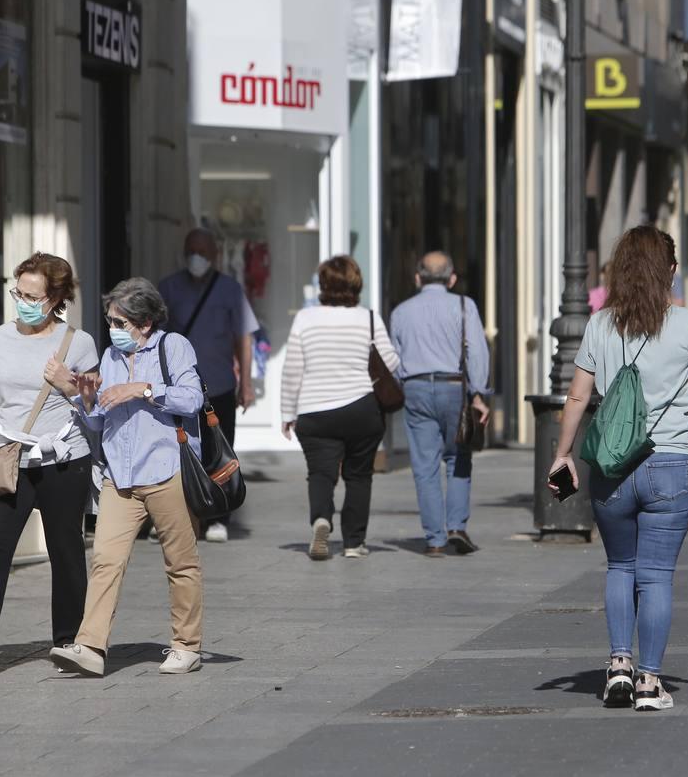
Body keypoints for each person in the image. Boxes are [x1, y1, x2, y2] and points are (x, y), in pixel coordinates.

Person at [548, 226, 688, 712]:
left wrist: (563, 452)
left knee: (619, 567)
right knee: (655, 576)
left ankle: (618, 667)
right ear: (670, 270)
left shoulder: (600, 325)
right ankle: (650, 682)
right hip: (671, 465)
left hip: (613, 467)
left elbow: (578, 395)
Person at [0, 254, 99, 676]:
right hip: (10, 459)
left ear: (55, 299)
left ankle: (71, 642)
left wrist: (70, 385)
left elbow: (96, 409)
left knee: (65, 552)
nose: (23, 302)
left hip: (65, 461)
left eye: (33, 296)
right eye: (19, 293)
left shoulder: (77, 344)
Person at [48, 278, 206, 678]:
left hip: (166, 469)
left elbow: (192, 398)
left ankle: (186, 646)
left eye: (121, 322)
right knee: (105, 560)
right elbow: (99, 419)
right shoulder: (111, 357)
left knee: (180, 563)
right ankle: (90, 646)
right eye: (110, 321)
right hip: (119, 475)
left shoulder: (173, 347)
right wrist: (83, 398)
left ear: (146, 323)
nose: (113, 329)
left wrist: (143, 389)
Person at [279, 256, 398, 560]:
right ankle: (354, 543)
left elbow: (293, 369)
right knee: (359, 476)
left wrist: (287, 413)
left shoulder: (305, 319)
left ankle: (321, 518)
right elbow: (392, 362)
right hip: (362, 407)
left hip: (315, 410)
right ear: (356, 283)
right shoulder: (368, 318)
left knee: (320, 473)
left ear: (323, 284)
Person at [159, 228, 258, 543]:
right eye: (191, 251)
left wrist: (246, 383)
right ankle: (180, 515)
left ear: (214, 254)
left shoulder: (229, 289)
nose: (196, 258)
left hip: (218, 385)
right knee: (179, 450)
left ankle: (218, 516)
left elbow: (243, 335)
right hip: (176, 389)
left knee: (219, 451)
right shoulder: (169, 288)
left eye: (202, 251)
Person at [390, 253, 491, 557]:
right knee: (459, 455)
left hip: (416, 387)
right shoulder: (464, 306)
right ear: (452, 279)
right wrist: (478, 392)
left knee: (424, 466)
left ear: (417, 278)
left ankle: (434, 539)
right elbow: (476, 353)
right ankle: (456, 527)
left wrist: (402, 385)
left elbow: (393, 358)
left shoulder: (400, 312)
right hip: (454, 387)